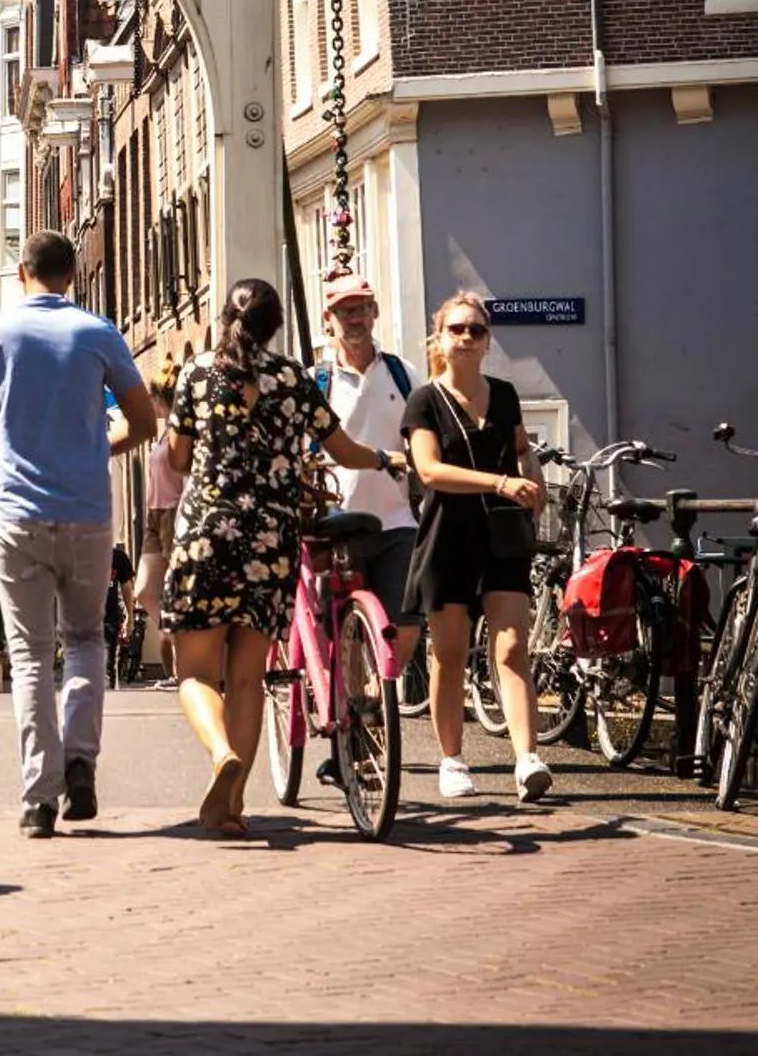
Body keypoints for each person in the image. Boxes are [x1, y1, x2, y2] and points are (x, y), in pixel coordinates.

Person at [162, 275, 391, 838]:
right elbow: (342, 450)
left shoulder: (196, 373)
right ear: (274, 328)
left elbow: (176, 456)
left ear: (225, 320)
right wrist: (385, 458)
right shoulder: (293, 378)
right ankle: (232, 807)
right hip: (272, 541)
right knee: (246, 680)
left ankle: (220, 754)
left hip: (207, 537)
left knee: (194, 673)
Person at [0, 229, 156, 838]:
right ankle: (81, 767)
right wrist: (98, 447)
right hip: (89, 511)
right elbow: (145, 421)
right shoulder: (99, 333)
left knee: (29, 655)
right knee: (87, 640)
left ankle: (38, 798)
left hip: (17, 513)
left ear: (22, 272)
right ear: (72, 274)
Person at [402, 293, 552, 803]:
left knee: (511, 646)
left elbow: (521, 450)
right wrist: (499, 484)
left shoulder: (505, 395)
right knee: (449, 652)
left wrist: (533, 480)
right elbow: (429, 471)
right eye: (458, 329)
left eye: (477, 331)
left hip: (503, 535)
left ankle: (527, 758)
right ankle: (452, 759)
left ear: (488, 342)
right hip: (449, 536)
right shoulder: (425, 400)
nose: (467, 338)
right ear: (439, 339)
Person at [313, 273, 419, 671]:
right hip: (338, 525)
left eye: (360, 309)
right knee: (342, 634)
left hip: (396, 521)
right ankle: (358, 708)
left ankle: (382, 686)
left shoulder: (402, 373)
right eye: (344, 311)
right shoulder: (317, 383)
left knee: (406, 624)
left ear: (374, 312)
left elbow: (422, 433)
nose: (354, 319)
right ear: (329, 318)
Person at [131, 367, 184, 686]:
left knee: (176, 592)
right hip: (154, 515)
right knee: (144, 591)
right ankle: (177, 641)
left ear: (163, 398)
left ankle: (184, 668)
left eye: (152, 397)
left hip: (174, 513)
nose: (148, 402)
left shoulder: (182, 431)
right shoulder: (163, 432)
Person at [103, 540, 135, 687]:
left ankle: (107, 696)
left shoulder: (117, 557)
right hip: (82, 620)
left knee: (108, 666)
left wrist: (129, 616)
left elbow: (127, 587)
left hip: (109, 619)